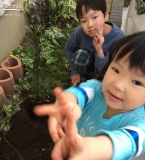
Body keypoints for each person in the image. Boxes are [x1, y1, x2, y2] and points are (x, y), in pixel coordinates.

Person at [33, 31, 145, 160]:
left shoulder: (140, 125)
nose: (118, 85)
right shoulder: (96, 89)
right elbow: (77, 93)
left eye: (137, 82)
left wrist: (89, 149)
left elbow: (127, 142)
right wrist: (69, 105)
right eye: (116, 70)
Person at [65, 0, 124, 85]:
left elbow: (115, 69)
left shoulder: (118, 37)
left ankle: (97, 81)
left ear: (106, 15)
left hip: (105, 71)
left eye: (94, 17)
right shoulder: (80, 32)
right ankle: (83, 78)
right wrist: (74, 71)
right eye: (84, 21)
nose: (90, 25)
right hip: (87, 63)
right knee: (80, 55)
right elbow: (68, 48)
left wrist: (99, 50)